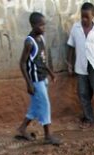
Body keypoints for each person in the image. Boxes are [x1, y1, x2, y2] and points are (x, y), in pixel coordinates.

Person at [17, 12, 61, 145]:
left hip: (43, 78)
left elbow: (41, 60)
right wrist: (28, 83)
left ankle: (22, 128)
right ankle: (48, 135)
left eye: (44, 25)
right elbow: (22, 63)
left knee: (36, 106)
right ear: (33, 25)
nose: (44, 28)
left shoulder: (41, 39)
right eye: (41, 25)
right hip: (35, 81)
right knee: (45, 105)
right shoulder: (29, 42)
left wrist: (50, 73)